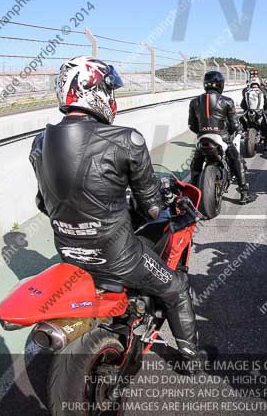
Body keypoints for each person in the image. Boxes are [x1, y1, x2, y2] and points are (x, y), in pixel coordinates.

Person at [30, 56, 202, 361]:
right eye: (109, 90)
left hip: (70, 255)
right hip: (118, 257)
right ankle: (192, 359)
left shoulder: (40, 143)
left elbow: (44, 203)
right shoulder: (126, 139)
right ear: (93, 91)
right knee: (176, 287)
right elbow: (151, 209)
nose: (112, 98)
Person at [189, 70, 252, 203]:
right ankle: (244, 192)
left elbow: (192, 125)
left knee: (196, 164)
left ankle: (192, 193)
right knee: (237, 160)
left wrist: (203, 131)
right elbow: (234, 125)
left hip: (203, 138)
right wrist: (230, 131)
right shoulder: (227, 101)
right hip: (222, 138)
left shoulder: (194, 102)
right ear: (220, 85)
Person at [240, 77, 267, 152]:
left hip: (249, 114)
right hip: (259, 114)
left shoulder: (246, 91)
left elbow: (242, 105)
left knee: (243, 123)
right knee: (265, 129)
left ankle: (245, 133)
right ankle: (266, 146)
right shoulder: (262, 91)